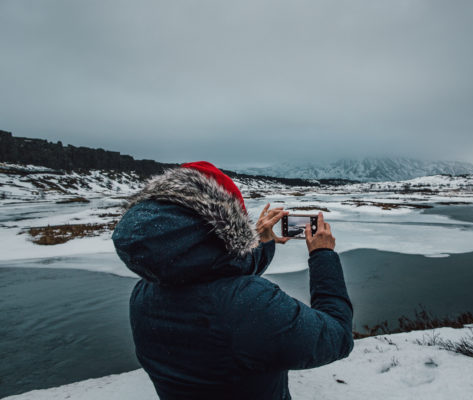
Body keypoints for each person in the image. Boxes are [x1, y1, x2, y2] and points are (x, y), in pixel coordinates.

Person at [112, 161, 354, 400]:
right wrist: (323, 255)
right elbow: (337, 336)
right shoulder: (248, 305)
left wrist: (264, 242)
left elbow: (212, 270)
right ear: (227, 224)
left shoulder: (144, 293)